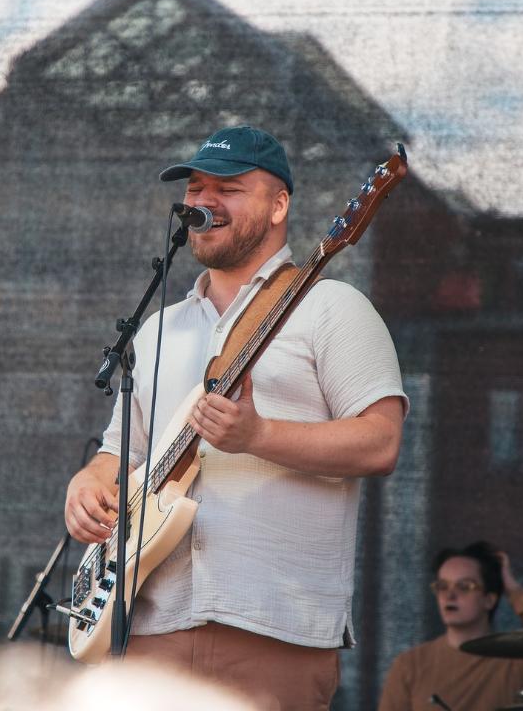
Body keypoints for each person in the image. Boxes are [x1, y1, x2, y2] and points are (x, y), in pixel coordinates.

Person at [64, 125, 408, 710]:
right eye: (196, 188)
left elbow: (380, 444)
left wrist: (259, 435)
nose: (203, 201)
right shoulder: (158, 329)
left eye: (228, 187)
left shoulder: (332, 307)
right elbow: (121, 451)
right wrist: (89, 483)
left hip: (271, 624)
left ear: (279, 205)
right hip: (147, 626)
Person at [377, 542, 523, 711]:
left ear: (489, 600)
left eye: (464, 586)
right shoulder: (410, 665)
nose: (450, 596)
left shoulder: (515, 660)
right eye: (442, 586)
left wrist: (512, 589)